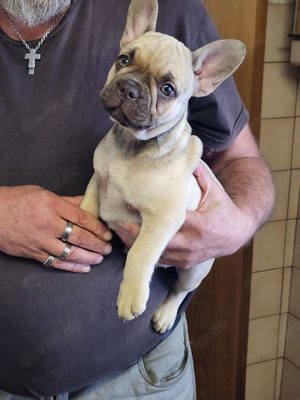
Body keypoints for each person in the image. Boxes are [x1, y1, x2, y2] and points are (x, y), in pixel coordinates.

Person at [0, 0, 275, 399]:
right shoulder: (109, 148)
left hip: (137, 378)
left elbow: (242, 158)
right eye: (127, 62)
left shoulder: (173, 10)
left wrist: (237, 225)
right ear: (127, 42)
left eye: (164, 88)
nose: (132, 85)